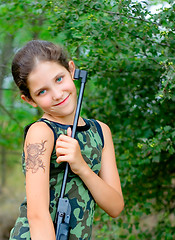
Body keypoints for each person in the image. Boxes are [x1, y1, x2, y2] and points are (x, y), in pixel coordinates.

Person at [9, 40, 124, 240]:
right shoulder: (41, 133)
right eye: (42, 92)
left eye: (59, 79)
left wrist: (81, 166)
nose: (56, 94)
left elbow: (115, 206)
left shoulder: (101, 131)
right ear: (29, 100)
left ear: (71, 69)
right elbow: (37, 215)